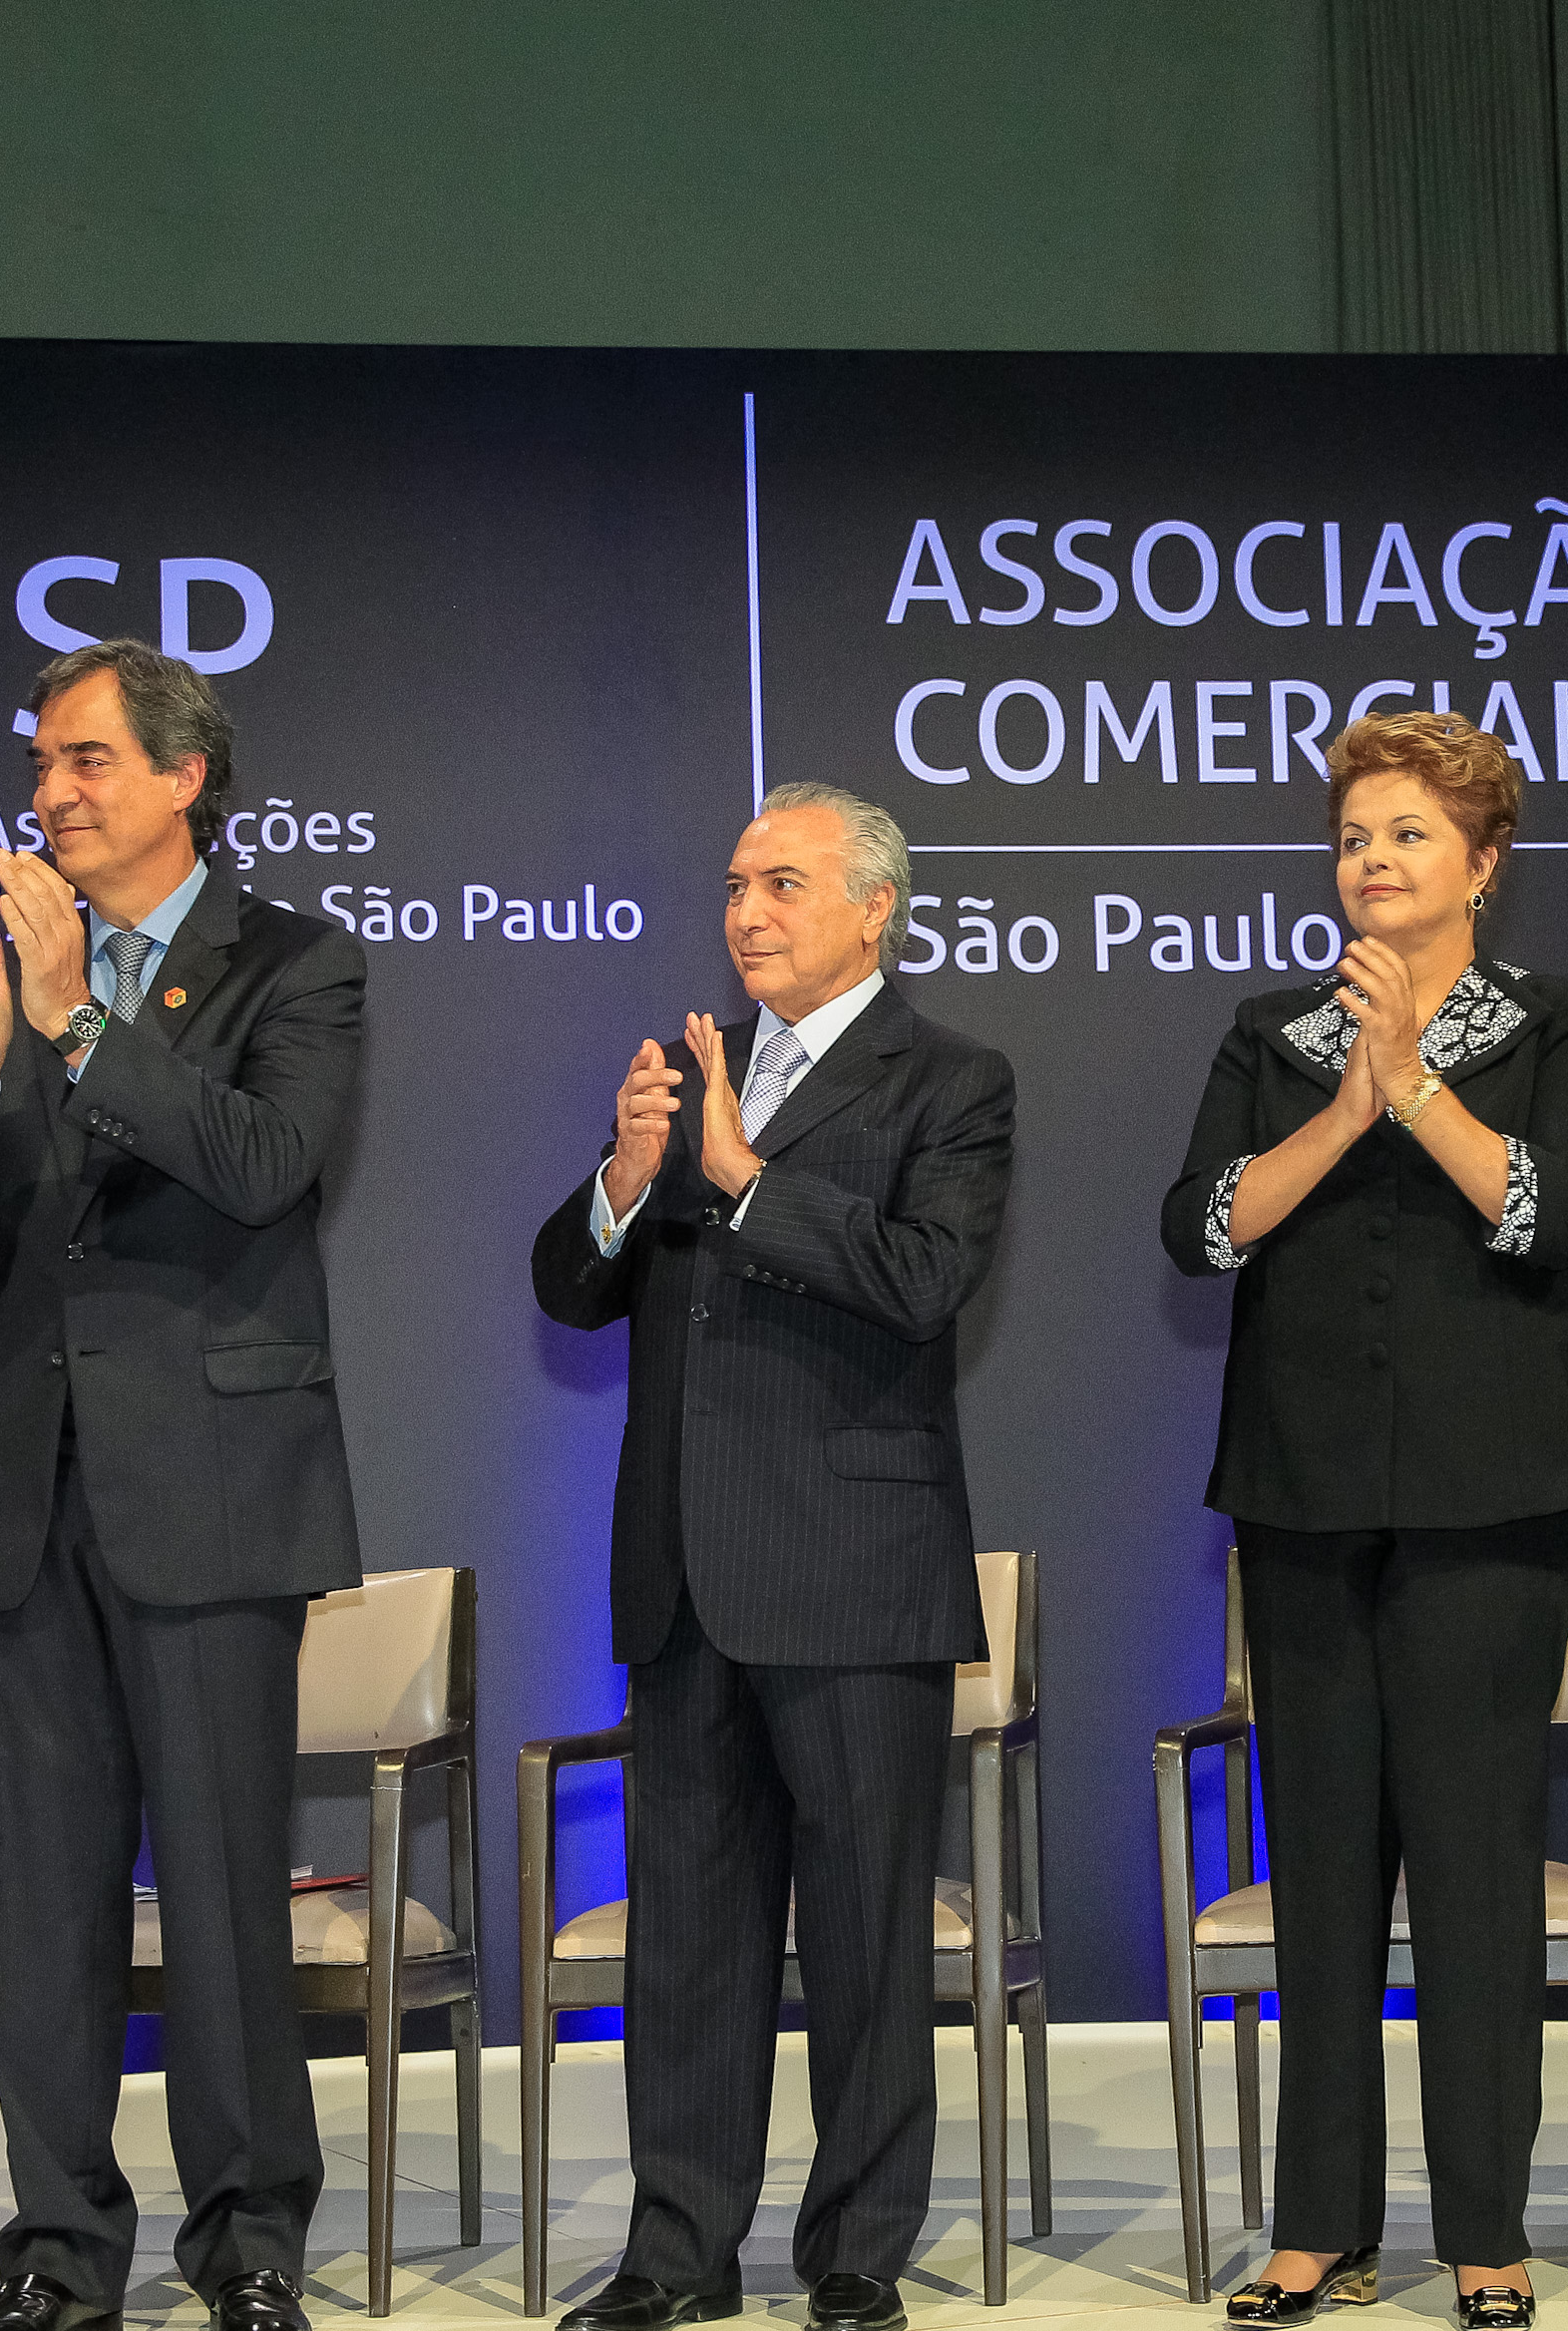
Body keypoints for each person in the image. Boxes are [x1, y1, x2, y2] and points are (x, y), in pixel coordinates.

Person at [0, 638, 365, 2331]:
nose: (48, 793)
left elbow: (257, 1165)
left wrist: (79, 1013)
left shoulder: (293, 964)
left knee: (226, 1892)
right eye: (39, 764)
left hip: (217, 1490)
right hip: (33, 1499)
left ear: (185, 777)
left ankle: (246, 2248)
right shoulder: (12, 971)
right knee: (45, 1903)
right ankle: (60, 2256)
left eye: (84, 761)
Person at [1159, 710, 1568, 2331]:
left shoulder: (1556, 1022)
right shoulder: (1271, 1033)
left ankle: (1485, 2234)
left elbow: (1546, 1214)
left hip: (1495, 1501)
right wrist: (1345, 1105)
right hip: (1299, 1495)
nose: (1372, 859)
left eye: (1409, 834)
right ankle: (1317, 2230)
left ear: (1483, 864)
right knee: (1325, 1870)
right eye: (1355, 835)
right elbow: (1203, 1224)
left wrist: (1414, 1086)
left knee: (1475, 1866)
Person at [530, 781, 1015, 2331]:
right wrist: (624, 1171)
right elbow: (567, 1287)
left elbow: (925, 1278)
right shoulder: (689, 1069)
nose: (746, 910)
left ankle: (856, 2249)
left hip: (853, 1568)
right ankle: (675, 2252)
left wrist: (743, 1178)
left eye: (781, 883)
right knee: (687, 1933)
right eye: (736, 881)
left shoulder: (950, 1078)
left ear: (874, 907)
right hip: (682, 1574)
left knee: (867, 1933)